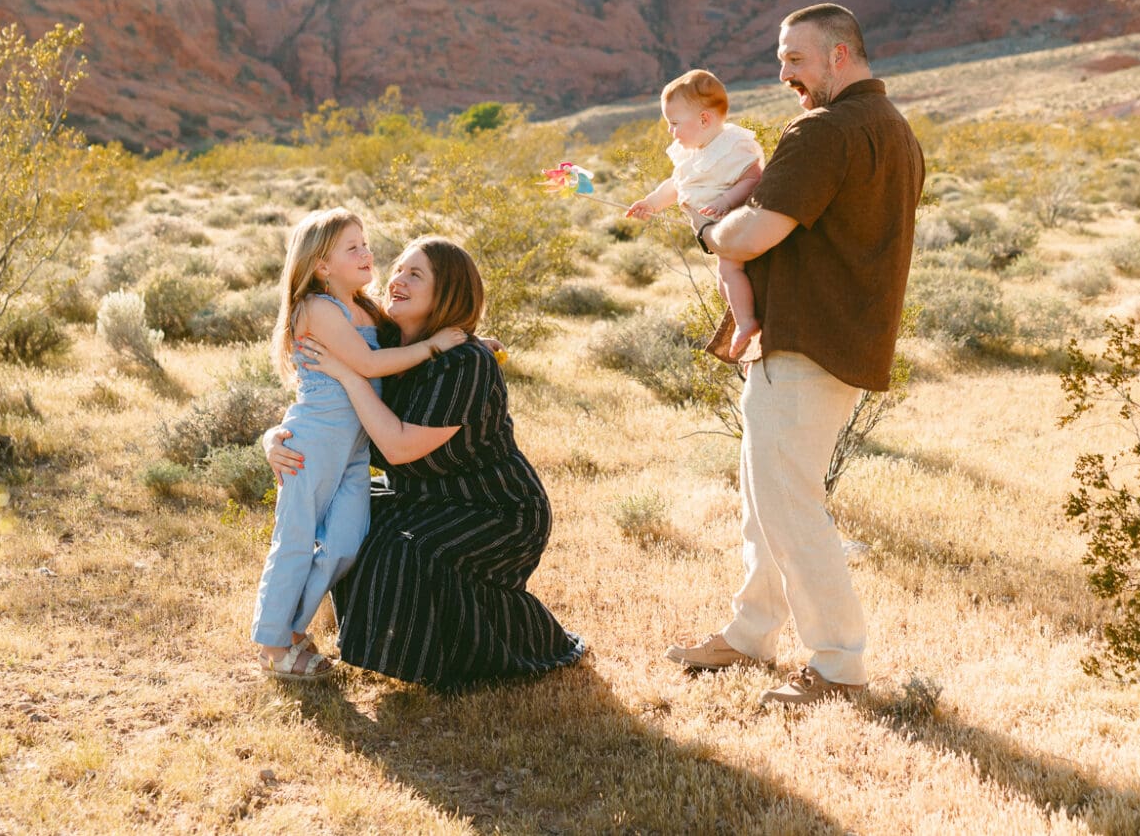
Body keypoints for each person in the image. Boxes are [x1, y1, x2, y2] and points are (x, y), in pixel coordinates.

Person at [664, 3, 924, 708]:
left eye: (796, 60)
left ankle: (839, 666)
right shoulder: (894, 129)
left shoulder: (825, 131)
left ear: (840, 55)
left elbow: (750, 235)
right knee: (765, 499)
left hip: (807, 339)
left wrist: (709, 228)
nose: (784, 75)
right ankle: (750, 634)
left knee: (789, 506)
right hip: (839, 337)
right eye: (782, 60)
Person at [265, 236, 585, 690]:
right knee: (344, 515)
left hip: (494, 509)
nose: (396, 280)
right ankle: (311, 630)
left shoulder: (465, 365)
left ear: (448, 292)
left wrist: (347, 374)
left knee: (403, 551)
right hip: (421, 495)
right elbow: (319, 405)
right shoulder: (382, 347)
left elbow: (395, 449)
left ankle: (498, 644)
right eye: (398, 269)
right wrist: (274, 438)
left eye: (415, 274)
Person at [251, 209, 467, 681]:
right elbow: (371, 366)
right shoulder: (317, 308)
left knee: (344, 544)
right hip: (313, 441)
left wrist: (466, 342)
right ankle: (273, 642)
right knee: (294, 541)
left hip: (353, 450)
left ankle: (290, 629)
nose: (367, 253)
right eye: (353, 247)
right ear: (322, 265)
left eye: (365, 243)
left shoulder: (366, 308)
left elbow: (405, 340)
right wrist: (438, 347)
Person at [624, 69, 766, 360]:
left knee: (730, 271)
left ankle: (746, 323)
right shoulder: (692, 152)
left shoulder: (733, 147)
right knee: (723, 281)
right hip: (715, 229)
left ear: (704, 120)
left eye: (674, 123)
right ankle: (747, 326)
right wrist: (650, 203)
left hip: (735, 224)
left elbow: (753, 179)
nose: (670, 131)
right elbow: (677, 184)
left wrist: (727, 201)